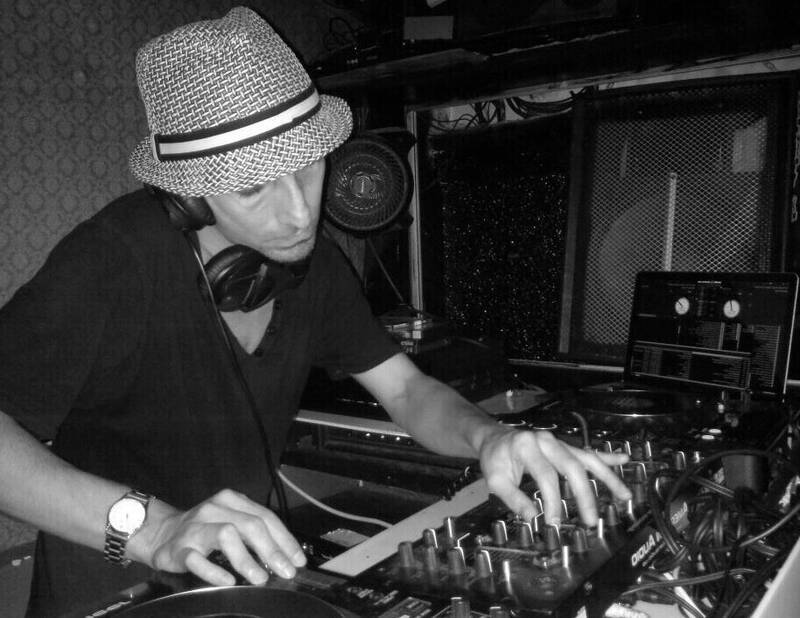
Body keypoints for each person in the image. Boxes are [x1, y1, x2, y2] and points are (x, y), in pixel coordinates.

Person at [0, 6, 632, 617]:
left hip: (242, 580)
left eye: (308, 167)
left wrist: (490, 437)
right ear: (188, 195)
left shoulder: (315, 265)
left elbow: (406, 390)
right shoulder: (111, 262)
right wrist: (155, 529)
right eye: (254, 188)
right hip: (109, 586)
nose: (301, 214)